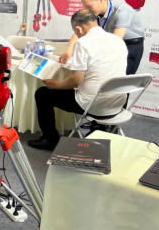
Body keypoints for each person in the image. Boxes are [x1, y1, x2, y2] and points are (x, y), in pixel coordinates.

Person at [28, 9, 128, 150]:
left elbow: (76, 81)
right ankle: (101, 129)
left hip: (94, 105)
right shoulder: (117, 40)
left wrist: (55, 84)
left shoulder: (83, 43)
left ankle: (50, 139)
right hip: (117, 104)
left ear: (78, 29)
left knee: (43, 94)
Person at [60, 0, 144, 75]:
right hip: (110, 43)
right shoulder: (94, 13)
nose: (87, 10)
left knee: (120, 77)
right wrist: (69, 50)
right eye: (84, 7)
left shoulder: (122, 11)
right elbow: (80, 30)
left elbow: (116, 41)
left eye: (89, 6)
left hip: (130, 45)